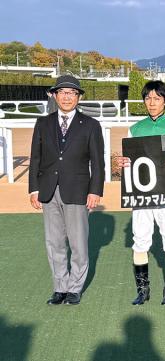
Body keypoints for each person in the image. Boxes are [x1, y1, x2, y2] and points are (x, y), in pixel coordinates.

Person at [116, 80, 165, 306]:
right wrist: (123, 162)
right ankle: (143, 291)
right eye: (148, 98)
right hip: (142, 194)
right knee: (140, 239)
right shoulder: (134, 128)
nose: (151, 103)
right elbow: (130, 159)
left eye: (156, 99)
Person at [28, 75, 105, 306]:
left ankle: (75, 288)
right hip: (48, 190)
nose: (67, 97)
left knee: (78, 243)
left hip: (78, 190)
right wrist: (33, 189)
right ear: (55, 95)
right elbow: (35, 159)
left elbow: (98, 162)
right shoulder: (43, 123)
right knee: (54, 242)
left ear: (79, 97)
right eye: (62, 92)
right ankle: (60, 287)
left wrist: (95, 191)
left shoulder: (91, 125)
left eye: (72, 93)